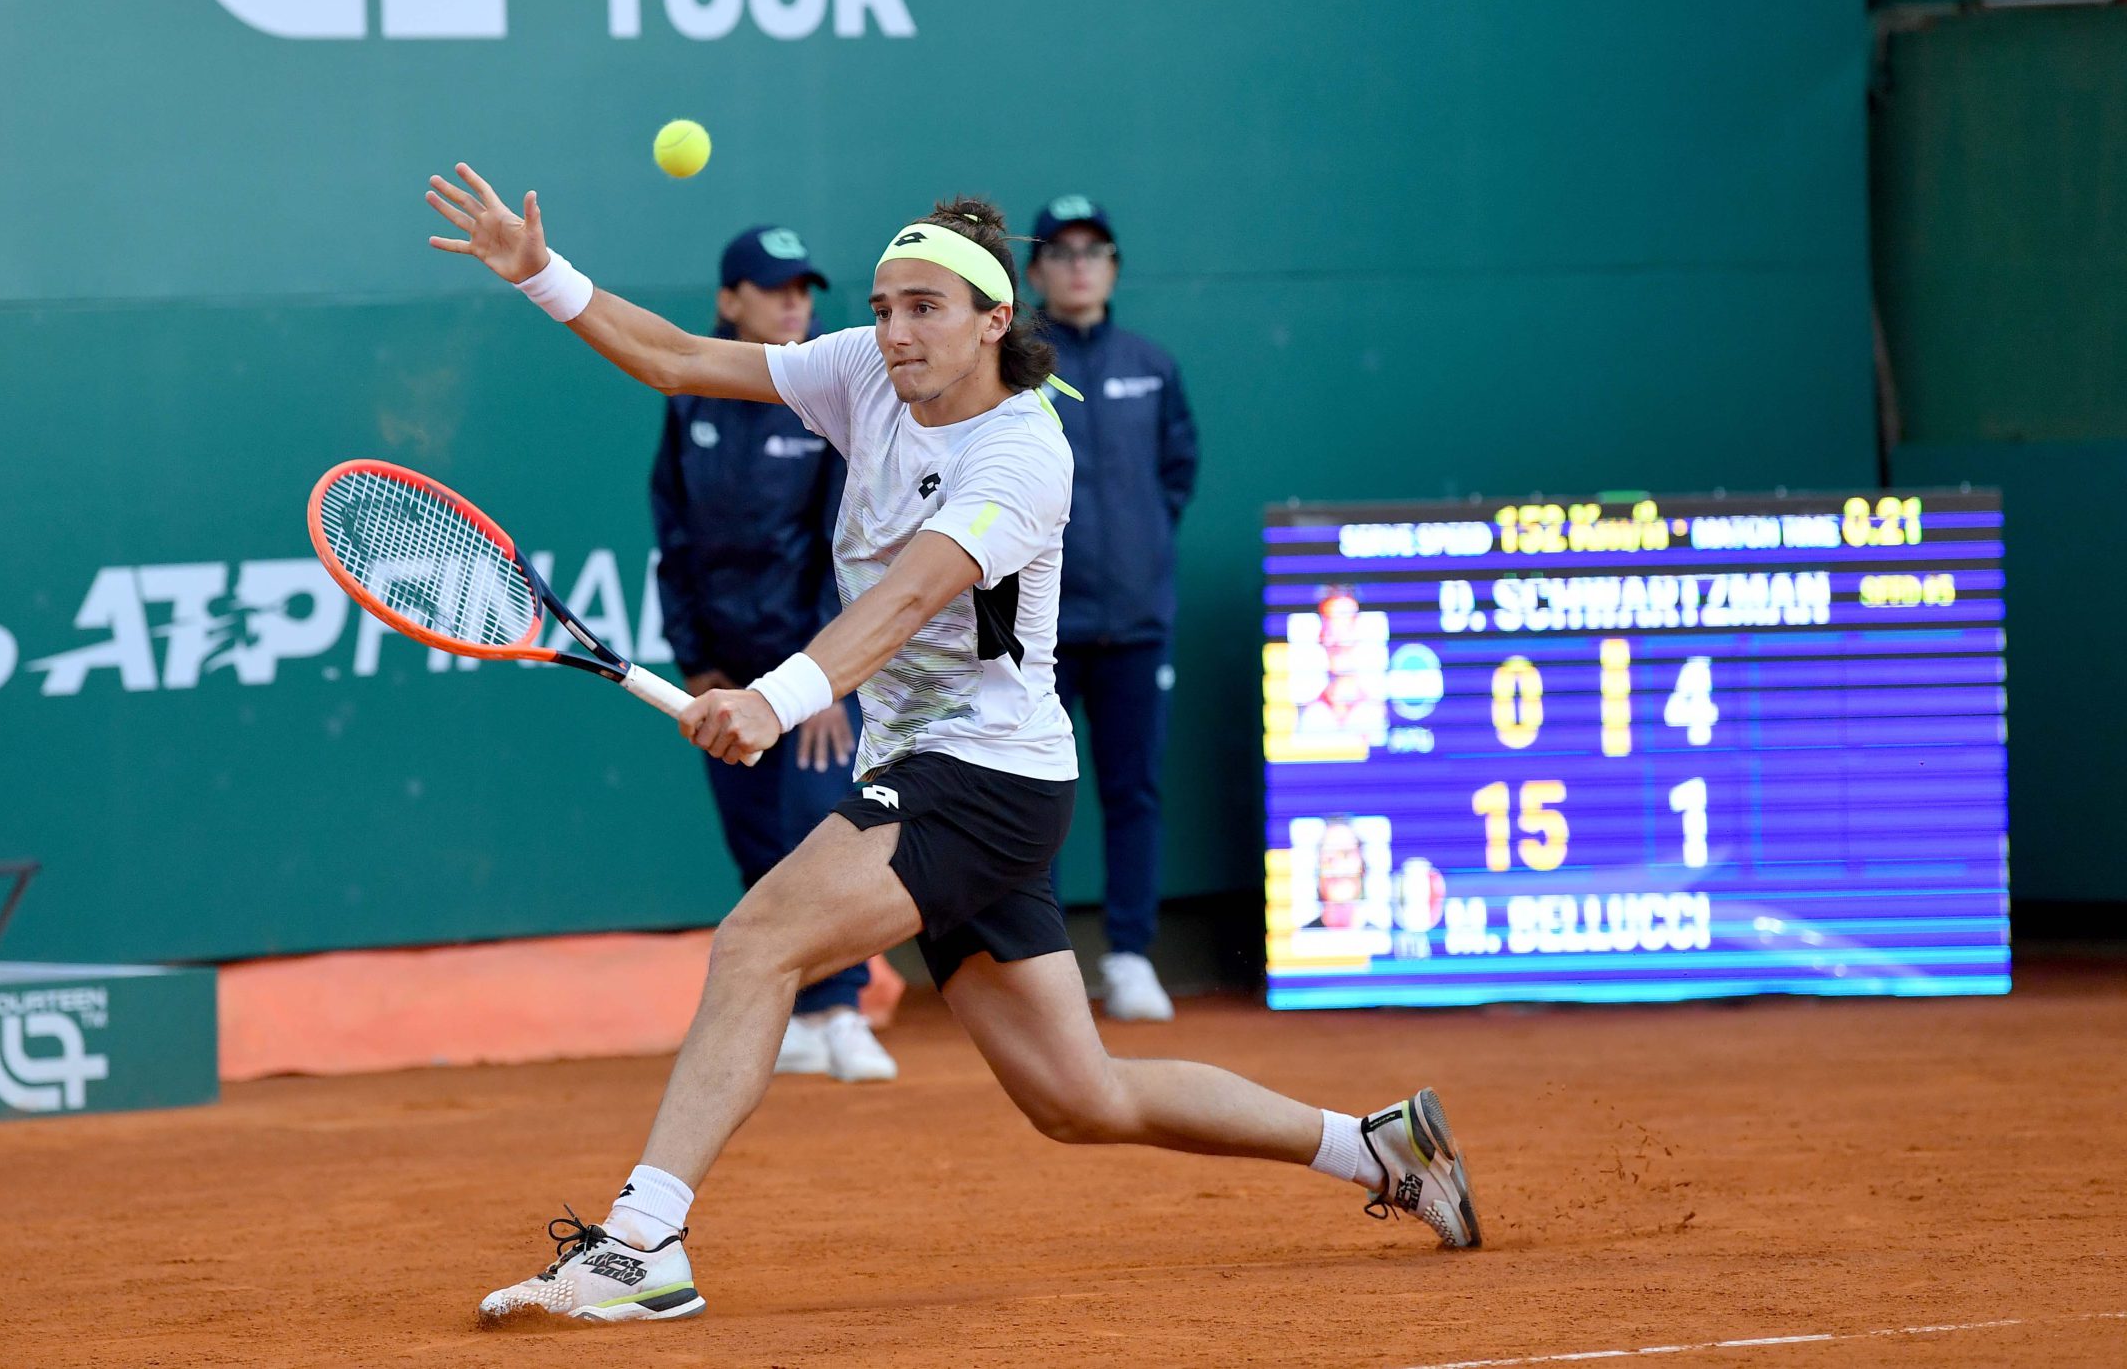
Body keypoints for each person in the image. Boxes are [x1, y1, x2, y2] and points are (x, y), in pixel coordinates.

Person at [421, 163, 1481, 1326]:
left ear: (993, 321)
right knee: (1080, 1100)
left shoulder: (1025, 454)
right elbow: (681, 360)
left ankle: (639, 1245)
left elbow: (914, 594)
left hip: (980, 777)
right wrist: (542, 277)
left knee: (756, 943)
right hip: (950, 773)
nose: (892, 329)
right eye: (881, 306)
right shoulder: (859, 372)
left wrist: (775, 697)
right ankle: (1377, 1149)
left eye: (923, 307)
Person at [650, 224, 895, 1084]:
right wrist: (697, 664)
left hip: (814, 671)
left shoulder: (828, 400)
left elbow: (850, 543)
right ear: (730, 302)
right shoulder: (691, 406)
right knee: (757, 841)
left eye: (804, 286)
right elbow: (674, 539)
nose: (796, 300)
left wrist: (826, 678)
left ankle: (846, 1008)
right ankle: (796, 1012)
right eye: (774, 286)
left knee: (820, 839)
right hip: (727, 669)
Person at [1026, 196, 1199, 1023]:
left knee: (1134, 792)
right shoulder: (1015, 365)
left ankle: (1130, 956)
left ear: (1114, 265)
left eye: (1094, 249)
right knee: (1035, 796)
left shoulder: (1153, 366)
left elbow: (1175, 478)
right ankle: (1042, 966)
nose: (1078, 264)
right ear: (1035, 272)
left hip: (1135, 625)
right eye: (1061, 251)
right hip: (1037, 630)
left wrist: (1137, 559)